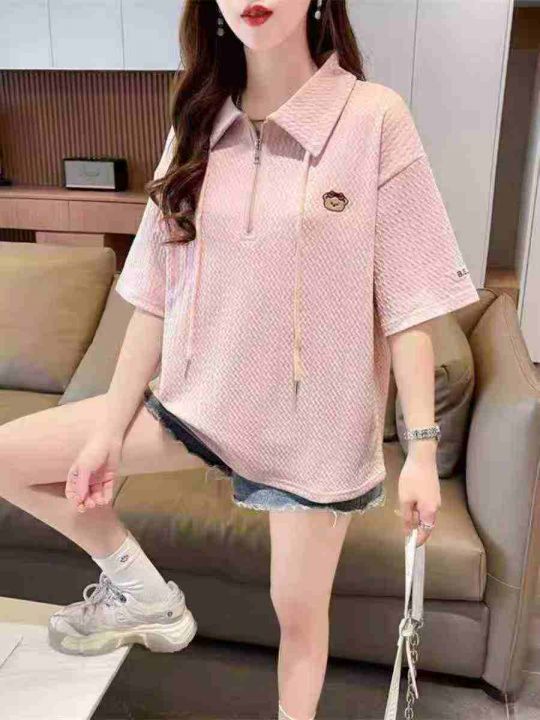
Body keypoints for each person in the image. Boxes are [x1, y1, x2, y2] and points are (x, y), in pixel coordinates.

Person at [0, 2, 480, 719]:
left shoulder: (374, 118)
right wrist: (108, 430)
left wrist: (420, 449)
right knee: (9, 455)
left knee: (299, 616)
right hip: (198, 403)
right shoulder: (197, 123)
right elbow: (155, 299)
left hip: (314, 433)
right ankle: (141, 591)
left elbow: (408, 305)